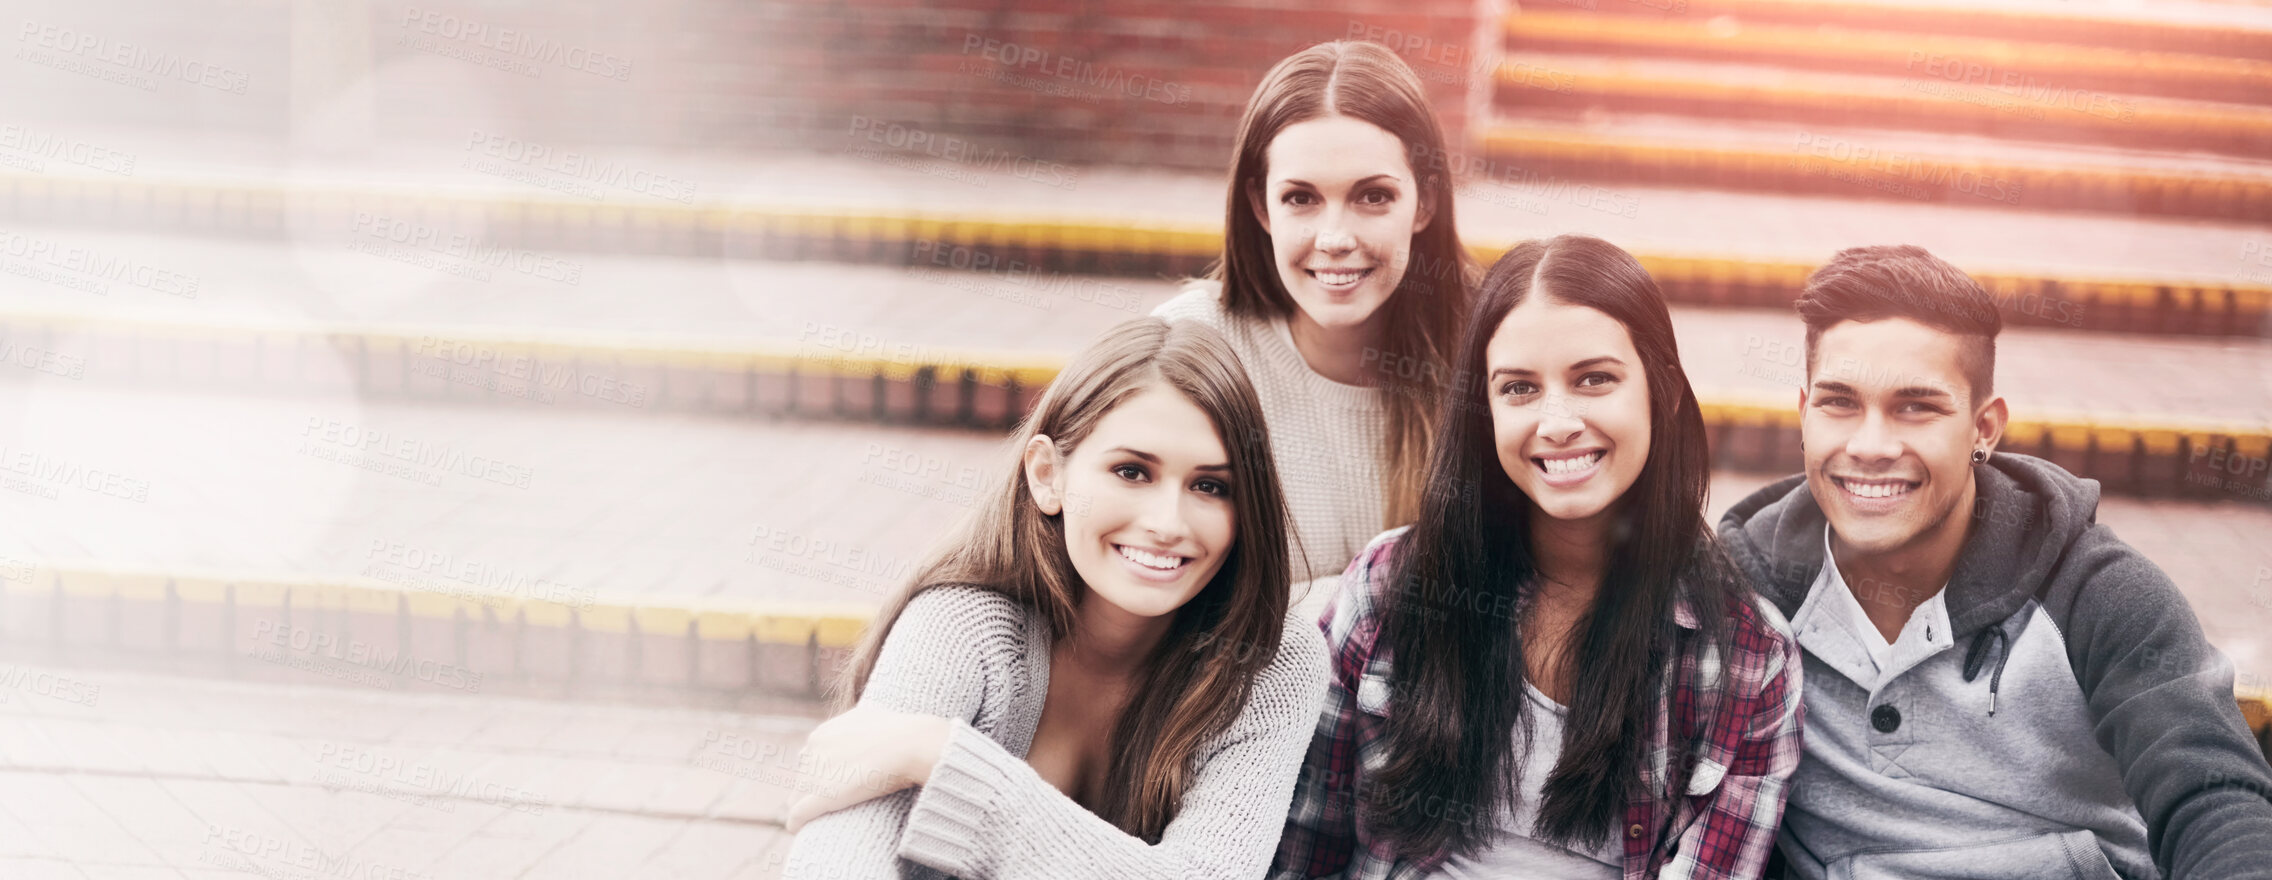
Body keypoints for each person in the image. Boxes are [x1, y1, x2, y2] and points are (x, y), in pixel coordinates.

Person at [1717, 244, 2272, 879]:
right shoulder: (1745, 588)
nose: (1870, 446)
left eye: (1916, 407)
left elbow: (2213, 796)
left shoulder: (2100, 594)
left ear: (1984, 428)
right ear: (1802, 413)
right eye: (1839, 402)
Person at [1274, 235, 1802, 880]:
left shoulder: (1748, 658)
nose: (1557, 422)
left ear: (1660, 390)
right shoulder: (1389, 589)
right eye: (1519, 389)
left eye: (1594, 379)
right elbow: (1304, 851)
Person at [778, 317, 1330, 879]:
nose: (1168, 524)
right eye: (1132, 471)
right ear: (1047, 475)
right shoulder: (961, 624)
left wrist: (941, 758)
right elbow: (838, 857)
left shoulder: (1270, 662)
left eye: (1210, 486)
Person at [1154, 40, 1477, 615]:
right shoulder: (1193, 346)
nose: (1335, 237)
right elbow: (1032, 550)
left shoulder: (1491, 356)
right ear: (1260, 206)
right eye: (1301, 198)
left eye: (1373, 197)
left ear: (1424, 202)